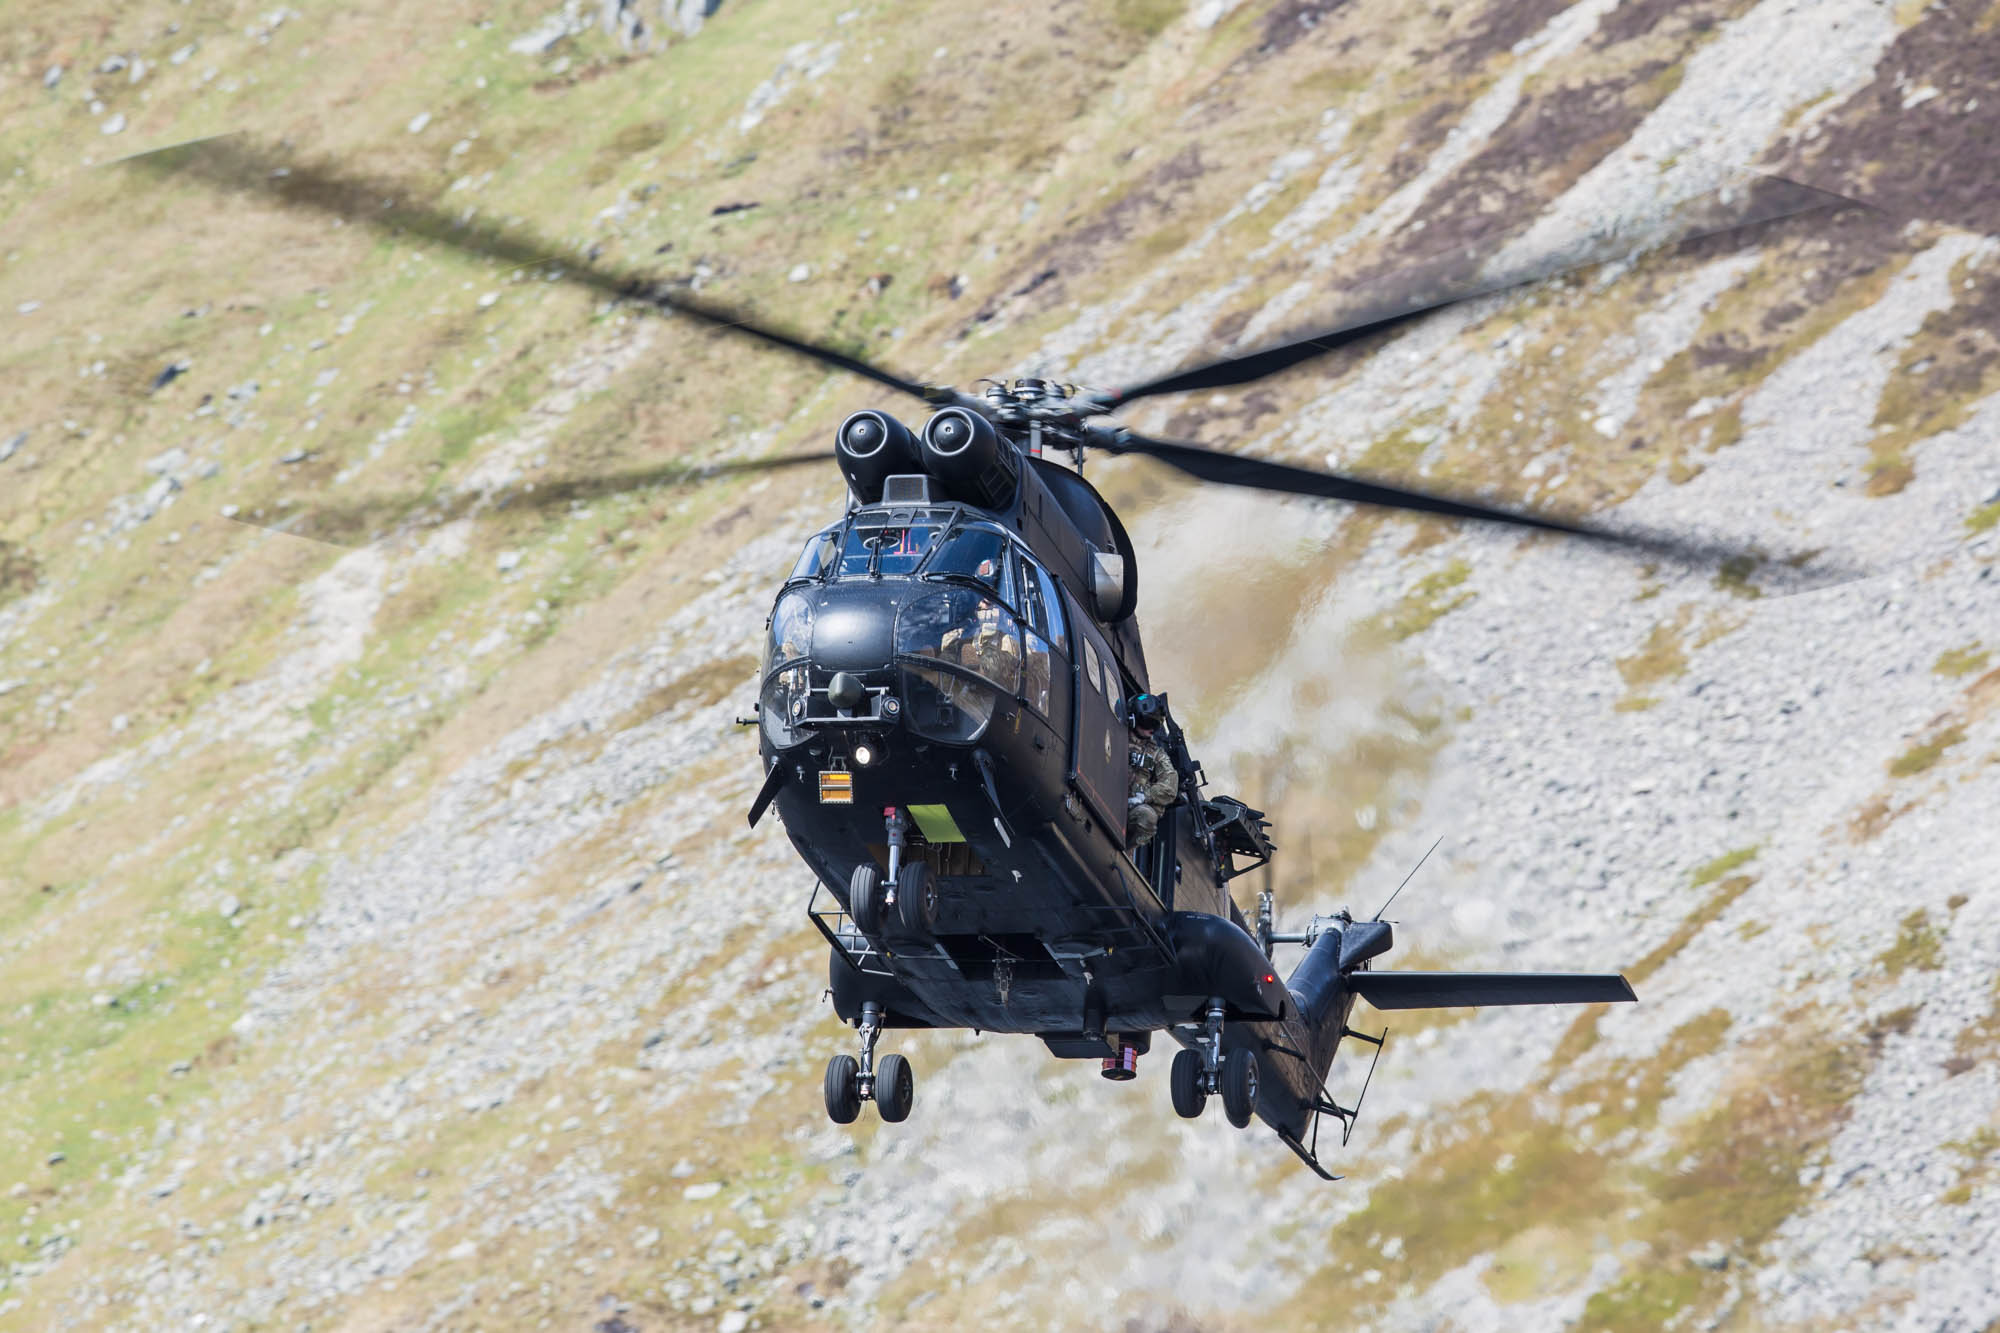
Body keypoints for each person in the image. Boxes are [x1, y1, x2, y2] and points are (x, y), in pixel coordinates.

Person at [1126, 696, 1178, 846]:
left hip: (1132, 809)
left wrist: (1143, 797)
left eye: (1156, 725)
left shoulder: (1157, 754)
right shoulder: (1117, 731)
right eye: (1148, 723)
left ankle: (1128, 849)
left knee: (1147, 816)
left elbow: (1170, 786)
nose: (1151, 730)